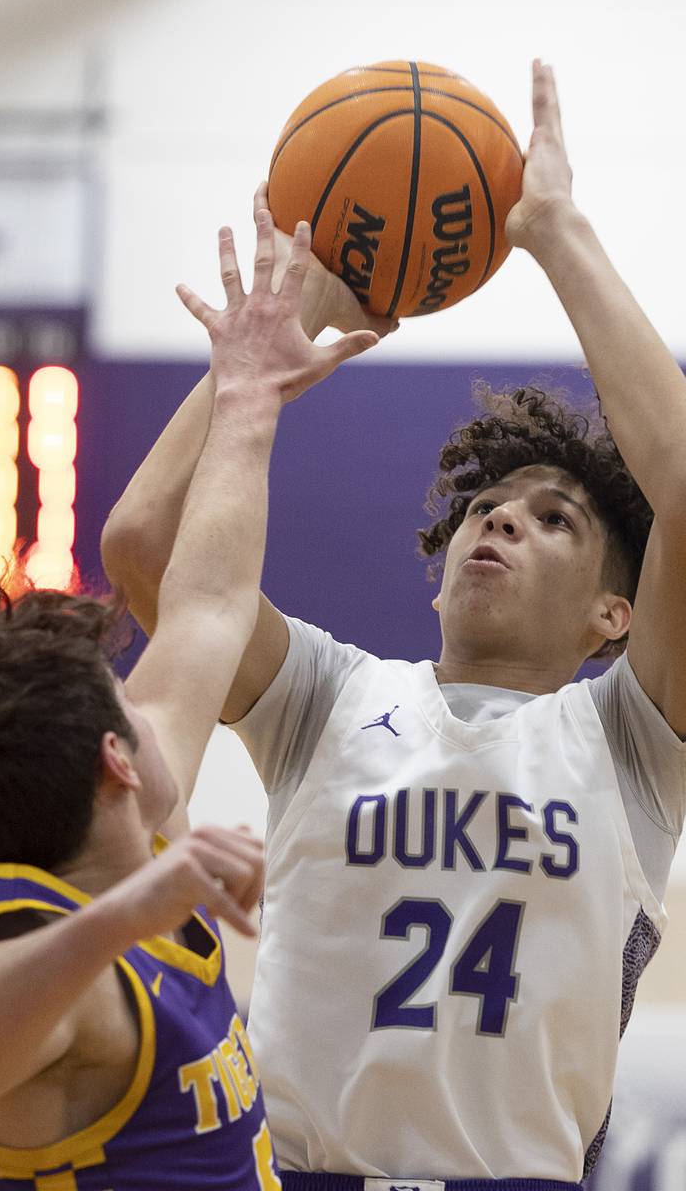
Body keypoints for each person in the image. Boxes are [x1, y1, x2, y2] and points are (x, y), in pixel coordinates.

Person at [100, 60, 686, 1190]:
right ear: (433, 575)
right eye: (482, 508)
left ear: (616, 613)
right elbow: (144, 553)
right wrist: (277, 339)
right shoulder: (330, 695)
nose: (497, 525)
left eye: (549, 519)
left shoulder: (630, 742)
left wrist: (555, 233)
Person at [0, 215, 379, 1190]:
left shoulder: (139, 832)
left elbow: (207, 603)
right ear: (116, 760)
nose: (153, 703)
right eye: (127, 700)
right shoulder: (35, 940)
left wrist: (245, 395)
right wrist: (126, 915)